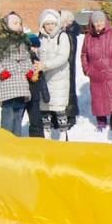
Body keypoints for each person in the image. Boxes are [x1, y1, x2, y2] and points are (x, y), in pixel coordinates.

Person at [0, 12, 35, 137]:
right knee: (8, 114)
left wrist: (29, 71)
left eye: (19, 23)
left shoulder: (23, 42)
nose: (18, 25)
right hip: (8, 82)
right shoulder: (0, 41)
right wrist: (1, 71)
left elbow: (26, 58)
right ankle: (5, 138)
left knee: (19, 114)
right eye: (15, 23)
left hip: (21, 82)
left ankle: (17, 137)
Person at [82, 10, 112, 132]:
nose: (98, 23)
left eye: (101, 20)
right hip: (95, 74)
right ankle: (101, 122)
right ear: (92, 23)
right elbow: (84, 54)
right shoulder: (88, 37)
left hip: (111, 72)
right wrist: (87, 69)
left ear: (105, 21)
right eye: (96, 21)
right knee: (98, 99)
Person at [35, 10, 73, 139]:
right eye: (47, 24)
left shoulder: (62, 36)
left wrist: (45, 65)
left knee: (59, 107)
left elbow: (63, 57)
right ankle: (47, 132)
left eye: (52, 23)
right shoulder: (40, 38)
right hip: (44, 78)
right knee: (45, 107)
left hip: (58, 77)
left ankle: (63, 133)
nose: (50, 26)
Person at [59, 10, 80, 126]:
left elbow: (70, 52)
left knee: (68, 90)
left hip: (67, 65)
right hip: (67, 65)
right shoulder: (69, 32)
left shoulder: (69, 34)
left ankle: (70, 115)